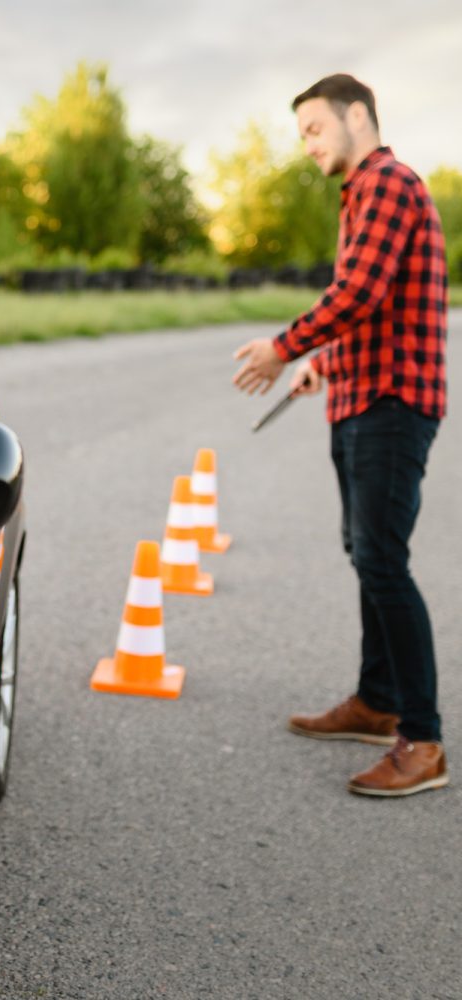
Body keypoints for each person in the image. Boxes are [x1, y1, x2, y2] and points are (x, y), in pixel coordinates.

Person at [231, 74, 448, 798]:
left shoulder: (386, 180)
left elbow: (356, 294)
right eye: (303, 136)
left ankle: (422, 741)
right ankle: (376, 700)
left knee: (383, 560)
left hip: (391, 404)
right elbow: (371, 311)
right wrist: (322, 362)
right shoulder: (361, 194)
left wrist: (284, 347)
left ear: (358, 115)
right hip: (360, 394)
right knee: (367, 554)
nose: (309, 146)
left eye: (316, 128)